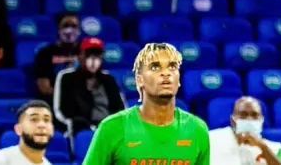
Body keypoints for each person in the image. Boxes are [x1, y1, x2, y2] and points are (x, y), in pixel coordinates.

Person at [81, 43, 210, 164]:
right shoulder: (111, 128)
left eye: (172, 67)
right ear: (139, 80)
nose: (166, 73)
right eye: (155, 67)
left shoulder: (197, 129)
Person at [53, 37, 126, 133]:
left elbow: (120, 110)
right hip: (79, 131)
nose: (93, 61)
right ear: (80, 56)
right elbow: (60, 111)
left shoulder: (109, 79)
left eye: (97, 56)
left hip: (107, 130)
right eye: (88, 55)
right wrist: (75, 124)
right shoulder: (66, 77)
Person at [209, 96, 281, 165]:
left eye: (254, 115)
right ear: (232, 120)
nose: (249, 119)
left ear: (261, 120)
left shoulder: (275, 148)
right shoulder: (212, 139)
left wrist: (263, 148)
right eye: (243, 114)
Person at [0, 101, 55, 165]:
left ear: (52, 130)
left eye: (46, 120)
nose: (41, 125)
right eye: (34, 119)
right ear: (18, 129)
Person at [31, 13, 82, 102]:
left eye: (74, 26)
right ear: (58, 29)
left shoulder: (85, 52)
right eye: (65, 25)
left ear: (79, 30)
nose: (69, 30)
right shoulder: (44, 53)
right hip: (53, 101)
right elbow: (44, 88)